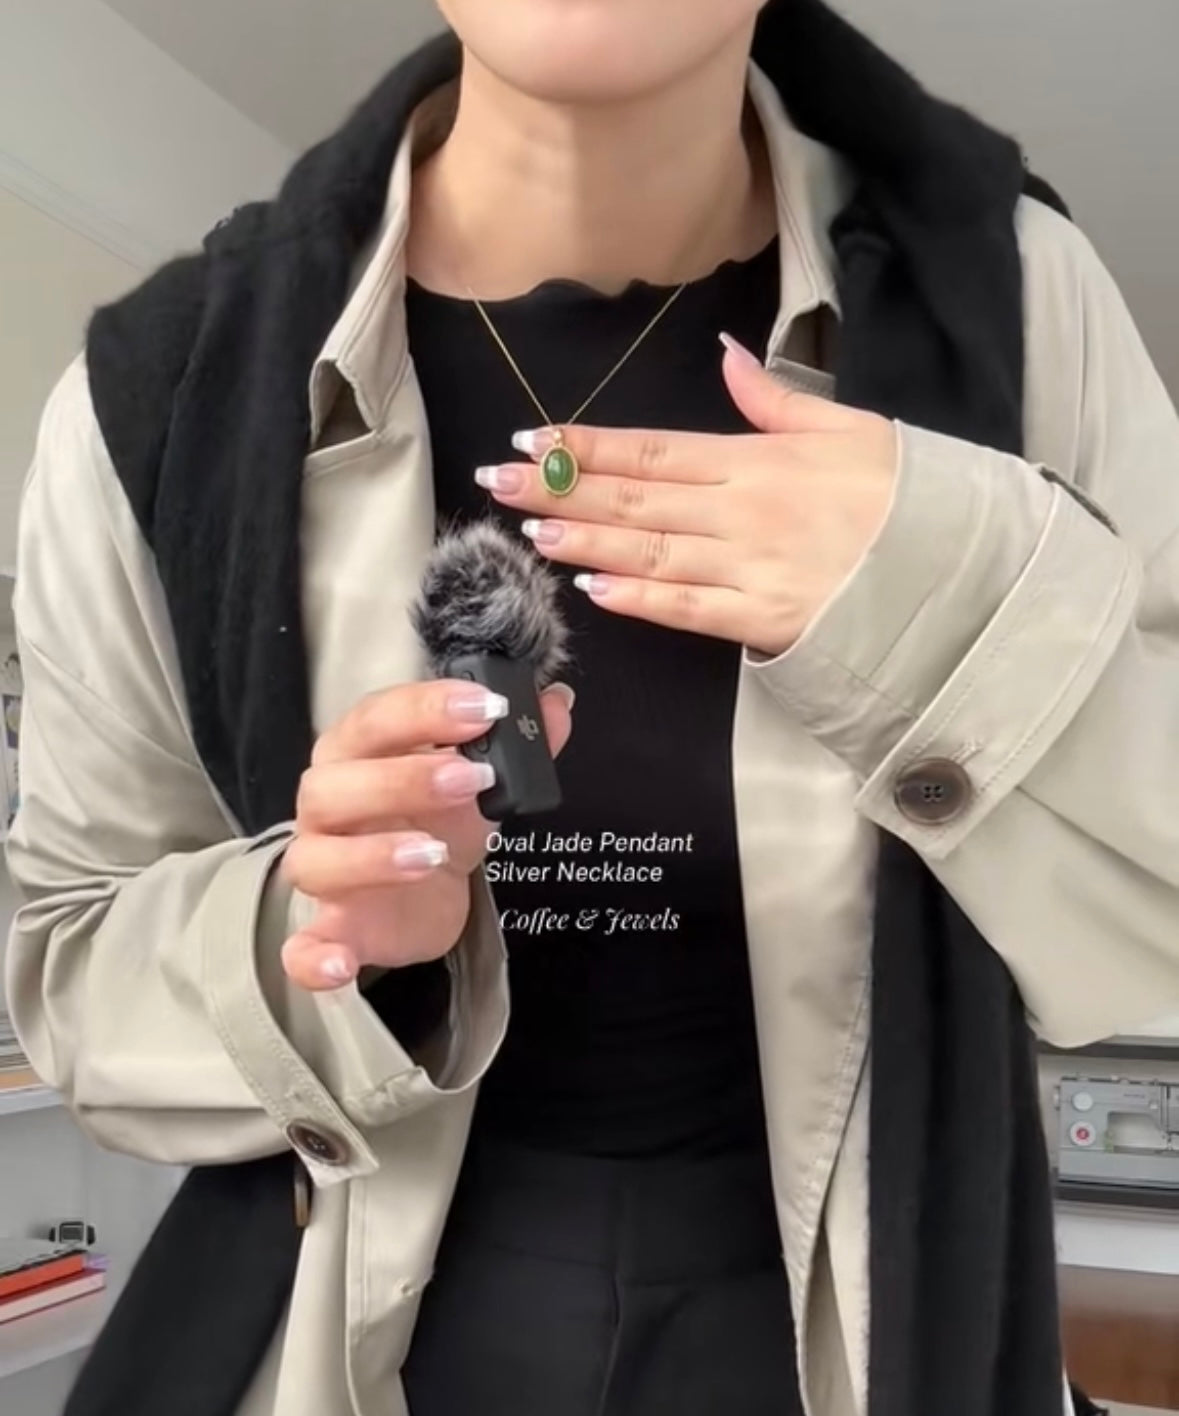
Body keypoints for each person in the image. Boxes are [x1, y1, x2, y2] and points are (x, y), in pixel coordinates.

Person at [5, 1, 1179, 1414]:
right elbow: (73, 966)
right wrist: (320, 934)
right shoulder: (160, 392)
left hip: (879, 1330)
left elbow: (1157, 919)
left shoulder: (1018, 306)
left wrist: (941, 607)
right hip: (352, 1336)